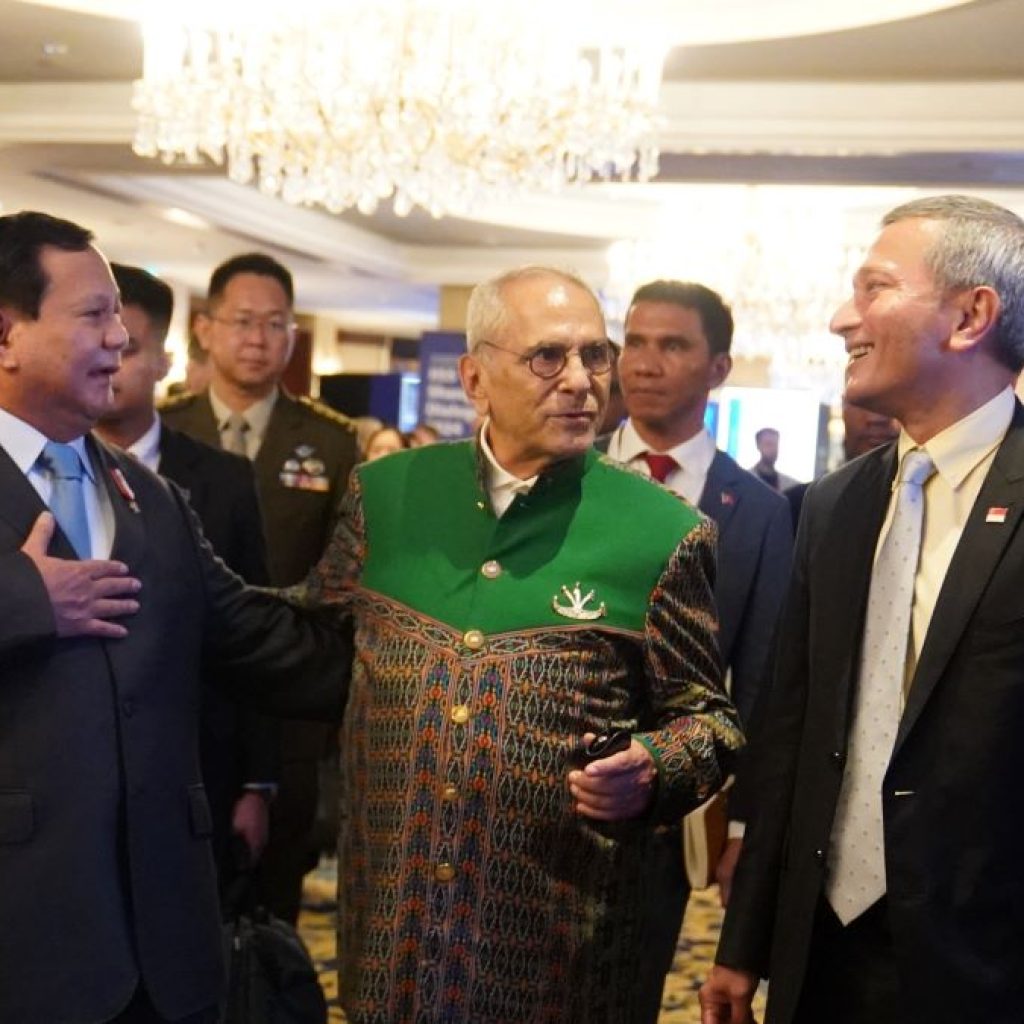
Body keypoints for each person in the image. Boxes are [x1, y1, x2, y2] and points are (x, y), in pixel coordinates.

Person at [298, 265, 743, 1023]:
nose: (580, 380)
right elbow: (305, 639)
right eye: (547, 357)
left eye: (594, 356)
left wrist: (653, 765)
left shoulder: (664, 531)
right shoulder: (387, 495)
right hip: (396, 935)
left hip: (558, 948)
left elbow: (711, 722)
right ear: (475, 378)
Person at [0, 211, 348, 1023]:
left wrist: (434, 653)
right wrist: (26, 599)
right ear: (7, 335)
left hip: (162, 940)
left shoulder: (149, 495)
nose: (121, 338)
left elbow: (256, 638)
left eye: (119, 317)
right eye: (94, 315)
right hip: (23, 934)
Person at [700, 194, 1024, 1024]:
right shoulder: (833, 505)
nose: (843, 319)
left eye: (874, 288)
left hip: (986, 963)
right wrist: (742, 944)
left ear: (970, 316)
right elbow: (793, 730)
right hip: (824, 952)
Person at [604, 279, 793, 1019]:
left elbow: (764, 681)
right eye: (635, 342)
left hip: (666, 808)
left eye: (673, 345)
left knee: (628, 993)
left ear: (718, 368)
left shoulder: (759, 512)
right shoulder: (563, 476)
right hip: (536, 790)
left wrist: (742, 825)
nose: (644, 363)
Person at [162, 252, 359, 923]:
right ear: (205, 329)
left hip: (284, 700)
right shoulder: (165, 430)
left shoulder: (329, 442)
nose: (258, 339)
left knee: (274, 903)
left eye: (275, 324)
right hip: (182, 687)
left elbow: (341, 580)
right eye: (243, 321)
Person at [96, 262, 278, 891]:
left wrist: (257, 781)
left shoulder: (221, 480)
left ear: (163, 361)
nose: (109, 361)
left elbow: (253, 633)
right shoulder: (43, 468)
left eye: (127, 348)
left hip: (196, 759)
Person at [785, 397, 899, 528]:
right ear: (843, 411)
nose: (877, 419)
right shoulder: (796, 509)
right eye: (863, 403)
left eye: (894, 400)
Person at [749, 426, 799, 491]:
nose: (773, 449)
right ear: (758, 446)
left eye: (775, 445)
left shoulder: (790, 485)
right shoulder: (746, 481)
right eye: (768, 444)